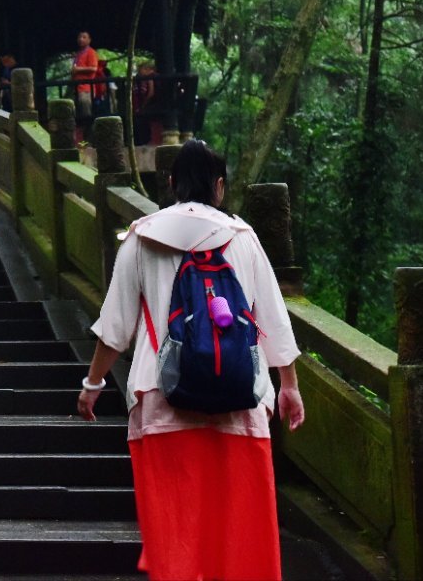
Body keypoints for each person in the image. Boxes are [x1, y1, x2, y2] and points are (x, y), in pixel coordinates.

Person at [76, 140, 305, 581]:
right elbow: (273, 319)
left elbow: (116, 328)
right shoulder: (244, 239)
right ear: (219, 187)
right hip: (241, 401)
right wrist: (289, 386)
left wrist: (92, 386)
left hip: (163, 400)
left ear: (170, 183)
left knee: (174, 536)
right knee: (241, 538)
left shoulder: (142, 237)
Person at [71, 30, 103, 134]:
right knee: (75, 112)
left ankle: (90, 136)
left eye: (84, 37)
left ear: (89, 40)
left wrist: (78, 69)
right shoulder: (78, 54)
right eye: (79, 37)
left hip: (86, 88)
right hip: (76, 87)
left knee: (86, 113)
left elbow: (94, 68)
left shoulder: (91, 52)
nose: (81, 39)